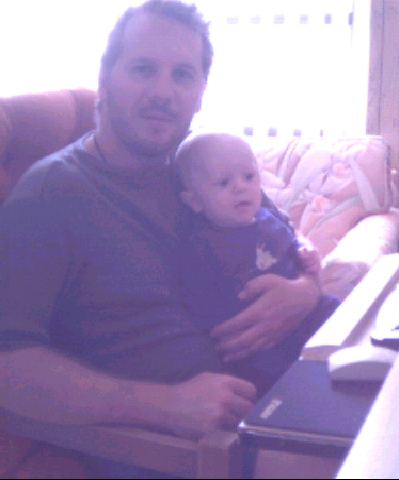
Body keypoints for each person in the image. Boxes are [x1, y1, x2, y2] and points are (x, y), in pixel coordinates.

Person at [0, 0, 323, 452]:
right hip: (186, 450)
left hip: (286, 392)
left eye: (182, 75)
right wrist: (165, 405)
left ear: (201, 92)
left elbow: (283, 234)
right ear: (104, 79)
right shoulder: (51, 193)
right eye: (144, 69)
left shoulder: (201, 163)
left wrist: (305, 290)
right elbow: (9, 365)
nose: (163, 92)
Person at [174, 132, 341, 394]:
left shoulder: (268, 219)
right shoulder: (201, 244)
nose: (240, 187)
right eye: (223, 182)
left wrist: (305, 254)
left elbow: (291, 244)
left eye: (249, 177)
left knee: (340, 312)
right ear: (194, 201)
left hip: (304, 313)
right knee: (274, 378)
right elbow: (195, 297)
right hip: (254, 340)